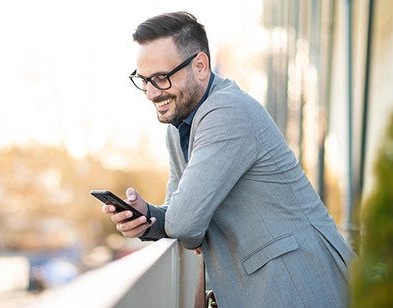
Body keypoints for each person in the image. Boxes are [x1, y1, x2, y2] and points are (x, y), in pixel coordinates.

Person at [102, 11, 357, 307]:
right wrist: (145, 217)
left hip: (298, 284)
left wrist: (178, 220)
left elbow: (184, 224)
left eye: (161, 78)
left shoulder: (226, 112)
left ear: (200, 66)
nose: (149, 93)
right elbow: (177, 213)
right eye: (143, 80)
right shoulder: (178, 128)